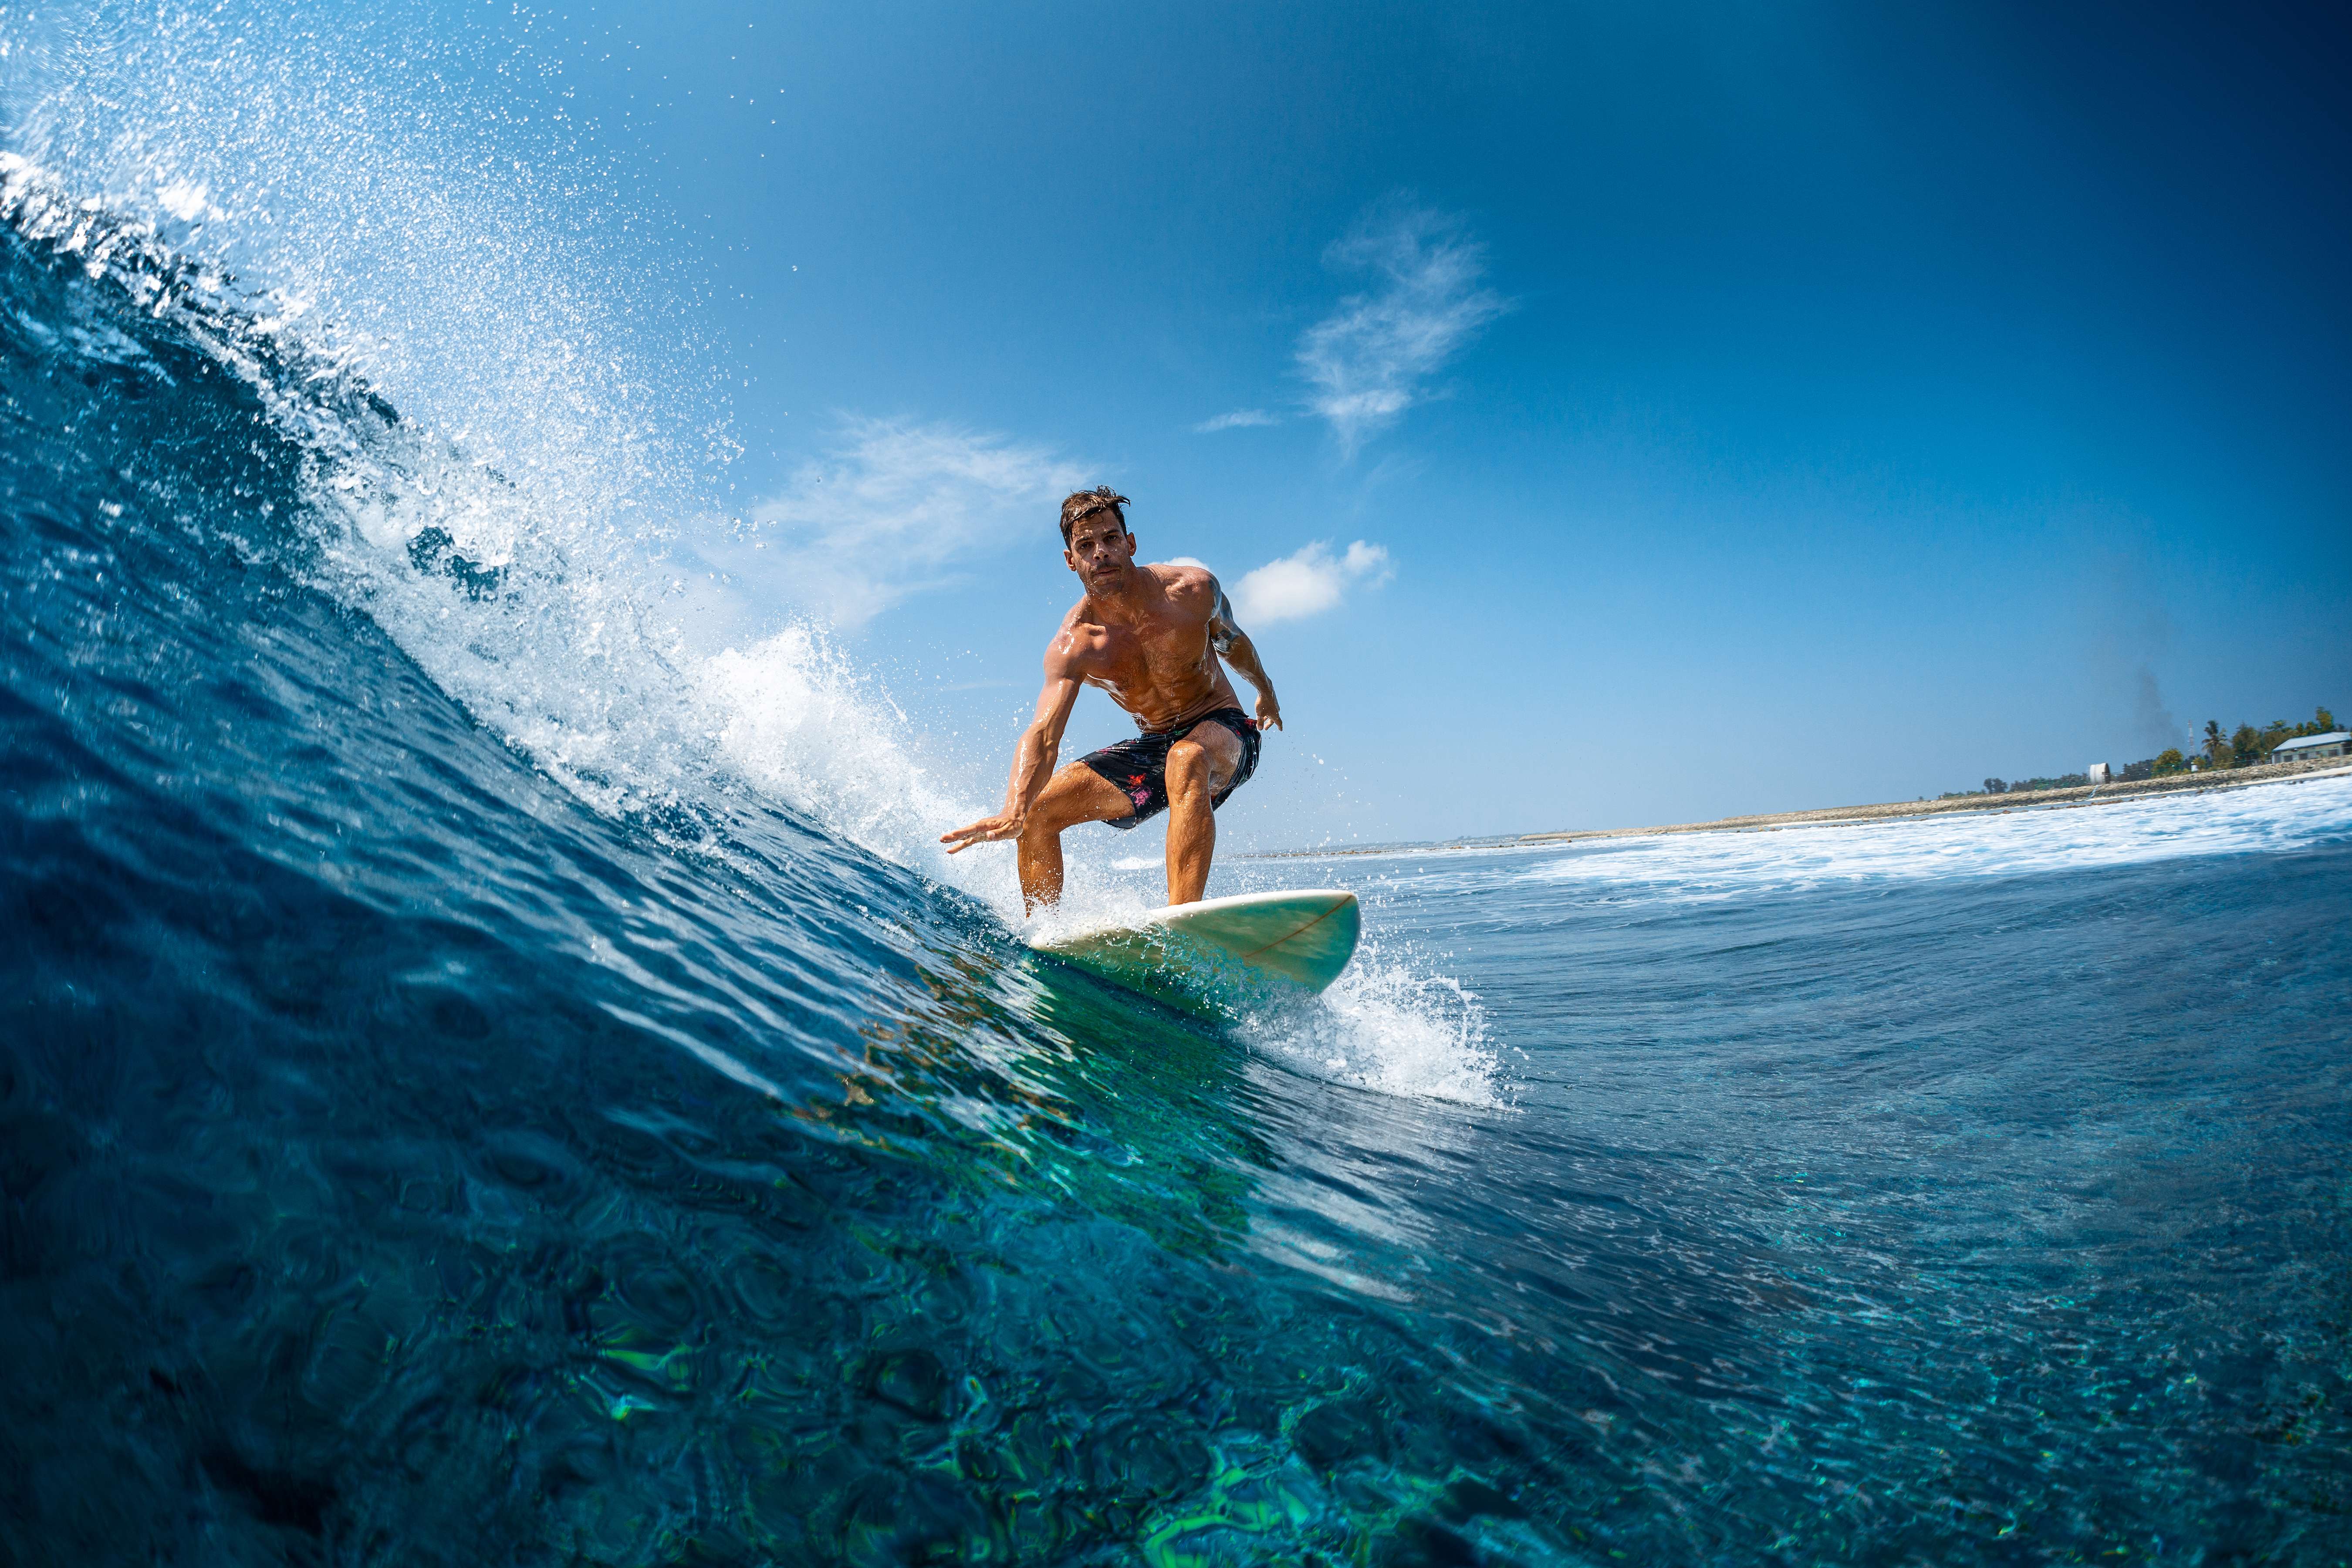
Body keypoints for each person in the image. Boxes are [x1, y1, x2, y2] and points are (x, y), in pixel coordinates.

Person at [941, 487, 1282, 912]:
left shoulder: (1192, 592)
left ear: (1131, 543)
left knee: (1187, 759)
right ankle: (1043, 934)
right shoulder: (1076, 644)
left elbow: (1235, 644)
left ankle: (1183, 923)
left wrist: (1265, 693)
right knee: (1038, 811)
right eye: (1086, 545)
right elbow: (1044, 734)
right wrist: (1015, 807)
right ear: (1071, 560)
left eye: (1110, 539)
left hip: (1226, 732)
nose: (1100, 552)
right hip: (1156, 748)